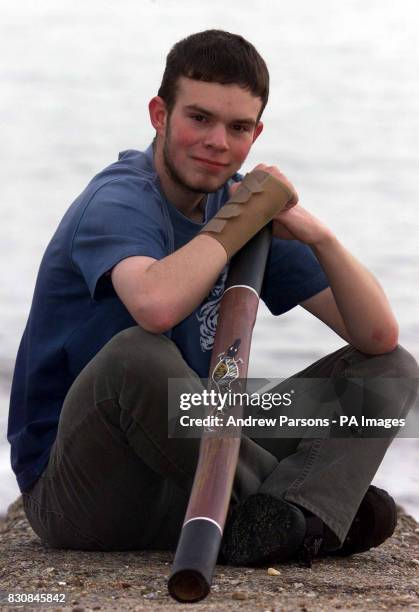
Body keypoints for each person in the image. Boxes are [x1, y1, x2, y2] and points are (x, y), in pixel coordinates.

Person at [8, 29, 418, 566]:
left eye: (238, 127)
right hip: (83, 492)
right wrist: (243, 218)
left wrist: (321, 237)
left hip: (190, 455)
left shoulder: (238, 203)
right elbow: (156, 307)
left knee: (388, 370)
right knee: (137, 355)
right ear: (160, 114)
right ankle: (305, 512)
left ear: (257, 133)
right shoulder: (117, 199)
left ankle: (287, 520)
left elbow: (376, 335)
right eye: (198, 118)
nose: (218, 143)